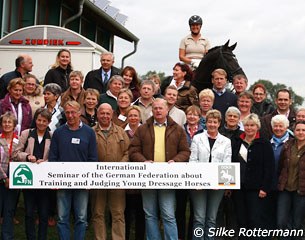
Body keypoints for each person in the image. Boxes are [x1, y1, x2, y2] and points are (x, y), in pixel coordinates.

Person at [129, 98, 190, 240]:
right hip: (148, 177)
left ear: (167, 109)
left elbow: (185, 151)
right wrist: (144, 161)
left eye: (160, 108)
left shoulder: (177, 129)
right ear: (152, 110)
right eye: (155, 108)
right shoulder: (143, 129)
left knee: (168, 214)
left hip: (168, 178)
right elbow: (133, 150)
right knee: (150, 214)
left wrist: (176, 160)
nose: (157, 110)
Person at [48, 100, 98, 240]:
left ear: (79, 113)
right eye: (67, 113)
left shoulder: (89, 132)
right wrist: (54, 179)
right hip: (62, 181)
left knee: (81, 217)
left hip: (82, 182)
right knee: (62, 216)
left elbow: (93, 158)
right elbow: (53, 157)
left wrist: (89, 179)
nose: (70, 116)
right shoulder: (58, 132)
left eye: (73, 112)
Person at [189, 109, 231, 240]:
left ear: (219, 123)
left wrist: (220, 182)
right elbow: (193, 160)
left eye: (215, 122)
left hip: (217, 185)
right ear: (205, 123)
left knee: (212, 219)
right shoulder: (197, 138)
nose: (212, 124)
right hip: (198, 184)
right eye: (209, 122)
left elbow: (226, 162)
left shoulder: (225, 141)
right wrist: (197, 181)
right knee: (199, 218)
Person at [91, 103, 130, 240]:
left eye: (108, 113)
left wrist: (120, 167)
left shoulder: (120, 131)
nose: (105, 116)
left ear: (112, 114)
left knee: (118, 213)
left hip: (117, 179)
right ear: (97, 114)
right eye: (102, 113)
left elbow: (127, 152)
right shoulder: (91, 132)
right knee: (98, 213)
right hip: (97, 179)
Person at [232, 113, 275, 238]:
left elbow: (269, 167)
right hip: (239, 187)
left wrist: (265, 187)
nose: (249, 128)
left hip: (256, 189)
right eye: (247, 125)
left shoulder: (264, 143)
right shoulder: (237, 141)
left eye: (252, 125)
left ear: (257, 127)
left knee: (254, 219)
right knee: (241, 218)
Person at [13, 108, 52, 240]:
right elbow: (16, 153)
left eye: (44, 121)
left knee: (44, 213)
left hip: (45, 180)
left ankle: (42, 237)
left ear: (49, 122)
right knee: (29, 212)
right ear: (35, 120)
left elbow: (55, 157)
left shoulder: (52, 136)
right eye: (39, 120)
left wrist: (45, 161)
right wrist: (27, 156)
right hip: (29, 178)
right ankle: (30, 237)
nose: (41, 123)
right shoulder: (26, 133)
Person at [277, 121, 305, 239]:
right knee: (281, 221)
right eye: (298, 130)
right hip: (285, 189)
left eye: (303, 130)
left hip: (301, 191)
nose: (301, 132)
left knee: (297, 223)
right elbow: (281, 165)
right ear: (293, 132)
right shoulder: (287, 145)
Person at [123, 106, 145, 240]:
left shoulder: (145, 131)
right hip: (126, 176)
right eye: (130, 115)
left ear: (140, 117)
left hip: (142, 175)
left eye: (136, 116)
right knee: (126, 212)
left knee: (141, 212)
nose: (133, 118)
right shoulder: (121, 132)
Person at [0, 112, 19, 240]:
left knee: (9, 210)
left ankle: (7, 237)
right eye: (4, 122)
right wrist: (4, 177)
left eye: (9, 122)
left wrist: (11, 178)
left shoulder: (19, 140)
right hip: (1, 177)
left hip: (15, 179)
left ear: (14, 125)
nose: (7, 124)